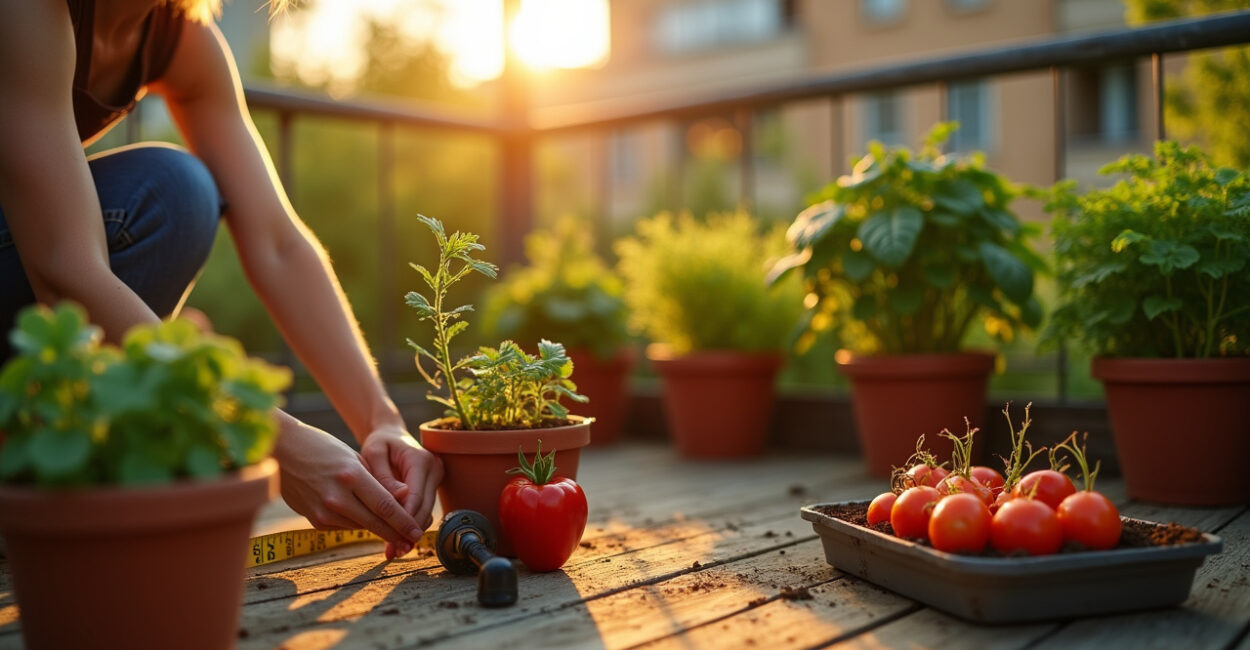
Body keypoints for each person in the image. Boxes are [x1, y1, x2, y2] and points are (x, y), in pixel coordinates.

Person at [0, 0, 443, 560]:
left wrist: (383, 422)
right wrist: (271, 438)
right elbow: (63, 273)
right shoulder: (27, 12)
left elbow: (279, 245)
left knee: (176, 195)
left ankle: (33, 451)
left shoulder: (180, 38)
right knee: (170, 189)